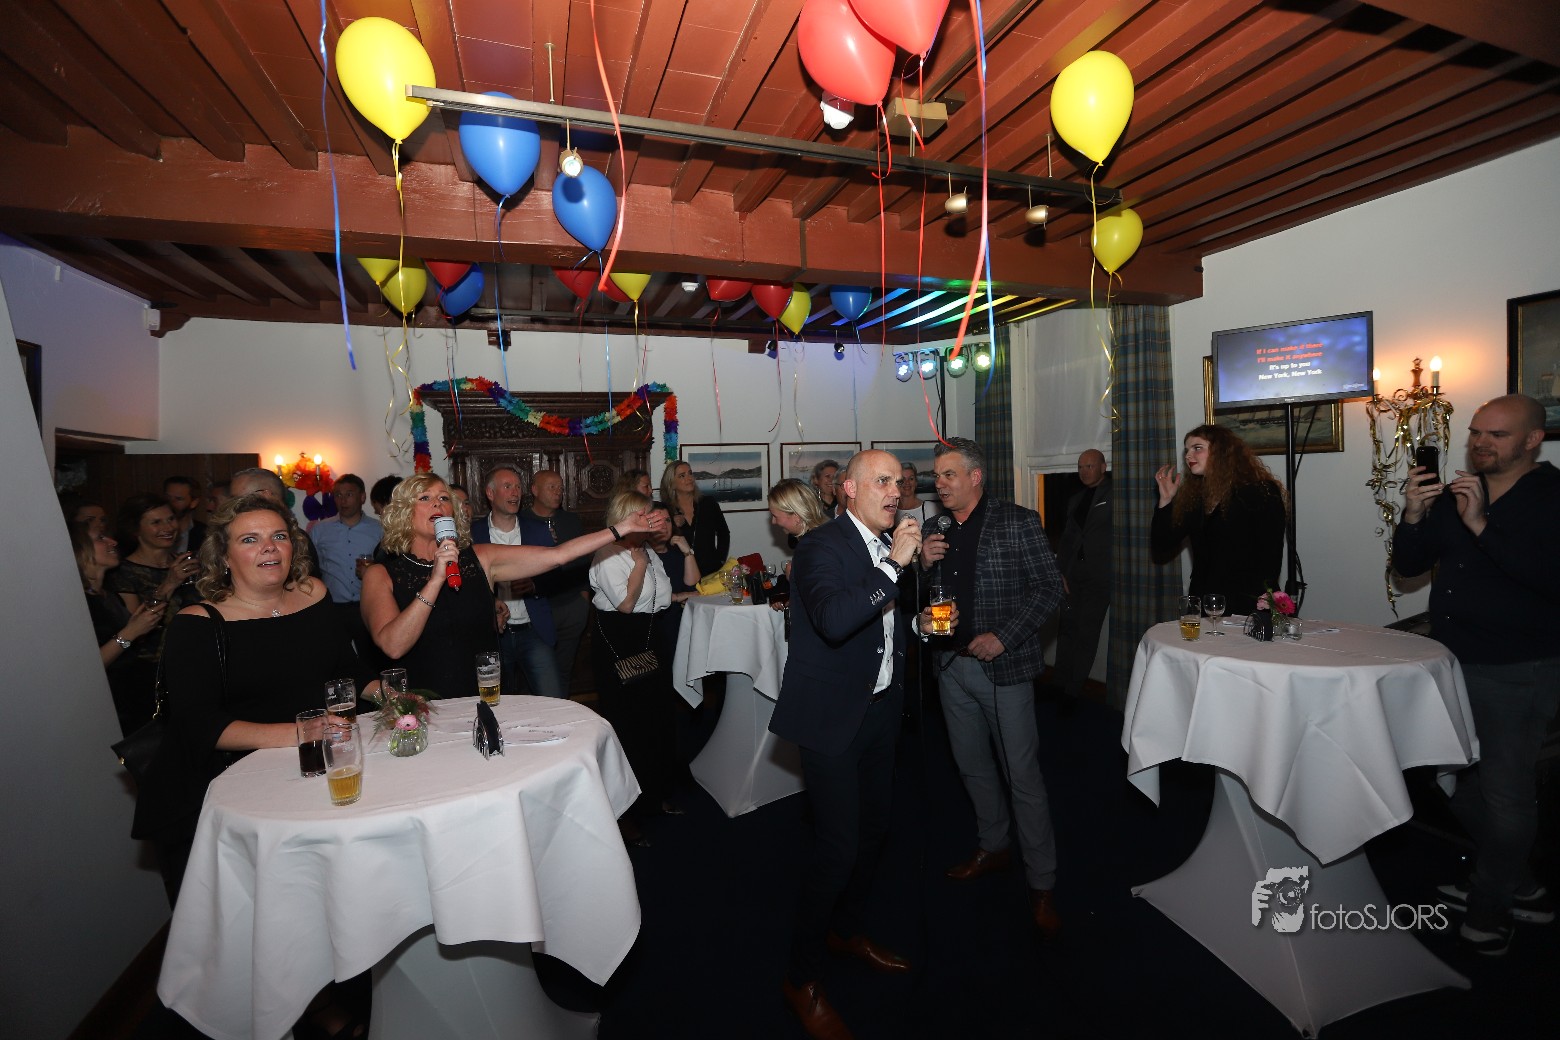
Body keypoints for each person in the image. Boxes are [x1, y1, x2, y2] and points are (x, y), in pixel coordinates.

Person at [131, 491, 375, 1035]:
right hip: (223, 793)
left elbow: (345, 674)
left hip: (308, 774)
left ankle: (335, 996)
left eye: (279, 536)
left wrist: (389, 694)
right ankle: (295, 1013)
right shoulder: (198, 623)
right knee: (263, 923)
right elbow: (197, 724)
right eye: (250, 539)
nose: (269, 548)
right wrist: (301, 733)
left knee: (322, 897)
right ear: (223, 555)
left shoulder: (313, 594)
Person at [769, 450, 944, 1040]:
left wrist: (917, 623)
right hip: (831, 718)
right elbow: (835, 620)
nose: (896, 490)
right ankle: (801, 978)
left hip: (882, 711)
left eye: (899, 480)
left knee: (876, 830)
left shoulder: (891, 543)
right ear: (848, 489)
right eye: (882, 481)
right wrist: (894, 566)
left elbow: (883, 626)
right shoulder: (820, 546)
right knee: (837, 849)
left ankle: (845, 930)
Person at [1395, 394, 1560, 955]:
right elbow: (1409, 566)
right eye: (1476, 432)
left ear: (1533, 440)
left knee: (1506, 794)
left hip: (1518, 669)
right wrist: (1414, 514)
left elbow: (1549, 577)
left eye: (1498, 434)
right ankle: (1519, 882)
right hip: (1450, 661)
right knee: (1450, 781)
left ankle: (1491, 910)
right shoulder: (1459, 492)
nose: (1482, 443)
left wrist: (1481, 525)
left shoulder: (1551, 497)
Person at [919, 437, 1066, 937]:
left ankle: (1041, 882)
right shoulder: (935, 528)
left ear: (975, 476)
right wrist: (922, 566)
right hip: (950, 666)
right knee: (972, 766)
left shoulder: (1017, 521)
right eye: (937, 475)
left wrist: (1003, 637)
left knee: (1021, 776)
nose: (940, 484)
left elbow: (1049, 589)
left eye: (949, 474)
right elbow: (925, 596)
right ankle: (994, 845)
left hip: (1004, 669)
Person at [362, 474, 663, 699]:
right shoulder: (381, 574)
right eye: (425, 498)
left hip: (481, 696)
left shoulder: (480, 559)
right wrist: (436, 580)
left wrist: (621, 528)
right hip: (423, 704)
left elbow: (558, 555)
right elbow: (393, 645)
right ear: (404, 512)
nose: (437, 504)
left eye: (443, 498)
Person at [589, 490, 686, 841]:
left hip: (651, 635)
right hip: (621, 639)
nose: (651, 520)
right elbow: (626, 605)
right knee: (628, 727)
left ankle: (655, 796)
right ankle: (625, 813)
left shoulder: (646, 549)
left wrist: (646, 557)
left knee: (658, 720)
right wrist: (641, 564)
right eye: (644, 515)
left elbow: (663, 596)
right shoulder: (606, 553)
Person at [1151, 424, 1286, 616]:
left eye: (1197, 448)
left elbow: (1271, 557)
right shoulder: (1194, 498)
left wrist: (1261, 604)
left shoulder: (1259, 492)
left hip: (1246, 605)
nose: (1188, 456)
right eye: (1187, 450)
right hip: (1204, 603)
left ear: (1221, 452)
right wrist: (1165, 501)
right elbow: (1161, 545)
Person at [471, 466, 563, 699]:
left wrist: (535, 585)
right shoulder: (473, 535)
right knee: (495, 702)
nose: (515, 493)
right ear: (490, 493)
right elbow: (465, 586)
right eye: (507, 486)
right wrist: (490, 600)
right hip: (493, 636)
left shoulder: (538, 531)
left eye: (518, 487)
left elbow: (558, 575)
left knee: (553, 698)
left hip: (533, 631)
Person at [73, 522, 164, 737]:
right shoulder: (77, 603)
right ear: (80, 549)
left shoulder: (107, 595)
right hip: (109, 704)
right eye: (100, 538)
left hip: (133, 696)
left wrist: (140, 627)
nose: (112, 542)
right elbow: (84, 668)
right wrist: (131, 632)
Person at [105, 493, 203, 659]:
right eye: (156, 522)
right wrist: (169, 584)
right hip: (152, 664)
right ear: (135, 529)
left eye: (171, 519)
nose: (168, 527)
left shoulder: (186, 562)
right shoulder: (122, 572)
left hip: (197, 655)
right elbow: (136, 632)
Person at [1051, 449, 1112, 708]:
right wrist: (1060, 572)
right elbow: (1067, 540)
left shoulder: (1116, 495)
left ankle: (1072, 692)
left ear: (1103, 467)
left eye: (1089, 466)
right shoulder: (1075, 499)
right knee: (1066, 630)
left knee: (1087, 634)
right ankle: (1058, 684)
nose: (1084, 471)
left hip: (1100, 577)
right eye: (1080, 467)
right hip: (1072, 575)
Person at [523, 469, 592, 693]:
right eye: (552, 487)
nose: (558, 492)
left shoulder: (570, 520)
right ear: (535, 490)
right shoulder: (521, 521)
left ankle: (563, 708)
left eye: (561, 488)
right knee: (539, 672)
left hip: (572, 606)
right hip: (538, 608)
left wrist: (583, 597)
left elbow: (584, 561)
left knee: (564, 668)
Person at [310, 473, 383, 663]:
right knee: (334, 660)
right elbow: (312, 567)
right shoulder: (320, 530)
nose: (343, 500)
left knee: (372, 659)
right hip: (333, 607)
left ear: (362, 497)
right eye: (338, 495)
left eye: (349, 494)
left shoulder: (379, 529)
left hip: (367, 605)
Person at [230, 467, 325, 578]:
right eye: (249, 540)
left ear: (265, 496)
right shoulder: (228, 534)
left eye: (238, 499)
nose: (232, 506)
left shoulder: (298, 539)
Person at [661, 459, 731, 577]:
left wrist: (720, 560)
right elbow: (660, 545)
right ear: (671, 483)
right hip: (682, 573)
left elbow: (724, 533)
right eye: (682, 476)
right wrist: (672, 524)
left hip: (711, 572)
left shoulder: (708, 503)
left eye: (690, 473)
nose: (689, 478)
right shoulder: (666, 511)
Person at [768, 477, 829, 549]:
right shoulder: (825, 534)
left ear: (797, 516)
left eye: (775, 516)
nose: (773, 522)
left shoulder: (814, 546)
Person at [163, 475, 206, 554]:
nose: (170, 503)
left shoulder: (205, 533)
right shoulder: (153, 531)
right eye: (167, 497)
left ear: (194, 502)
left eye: (178, 499)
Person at [894, 461, 942, 526]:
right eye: (903, 479)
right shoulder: (890, 510)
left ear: (916, 482)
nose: (907, 482)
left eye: (911, 479)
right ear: (897, 483)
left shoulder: (930, 508)